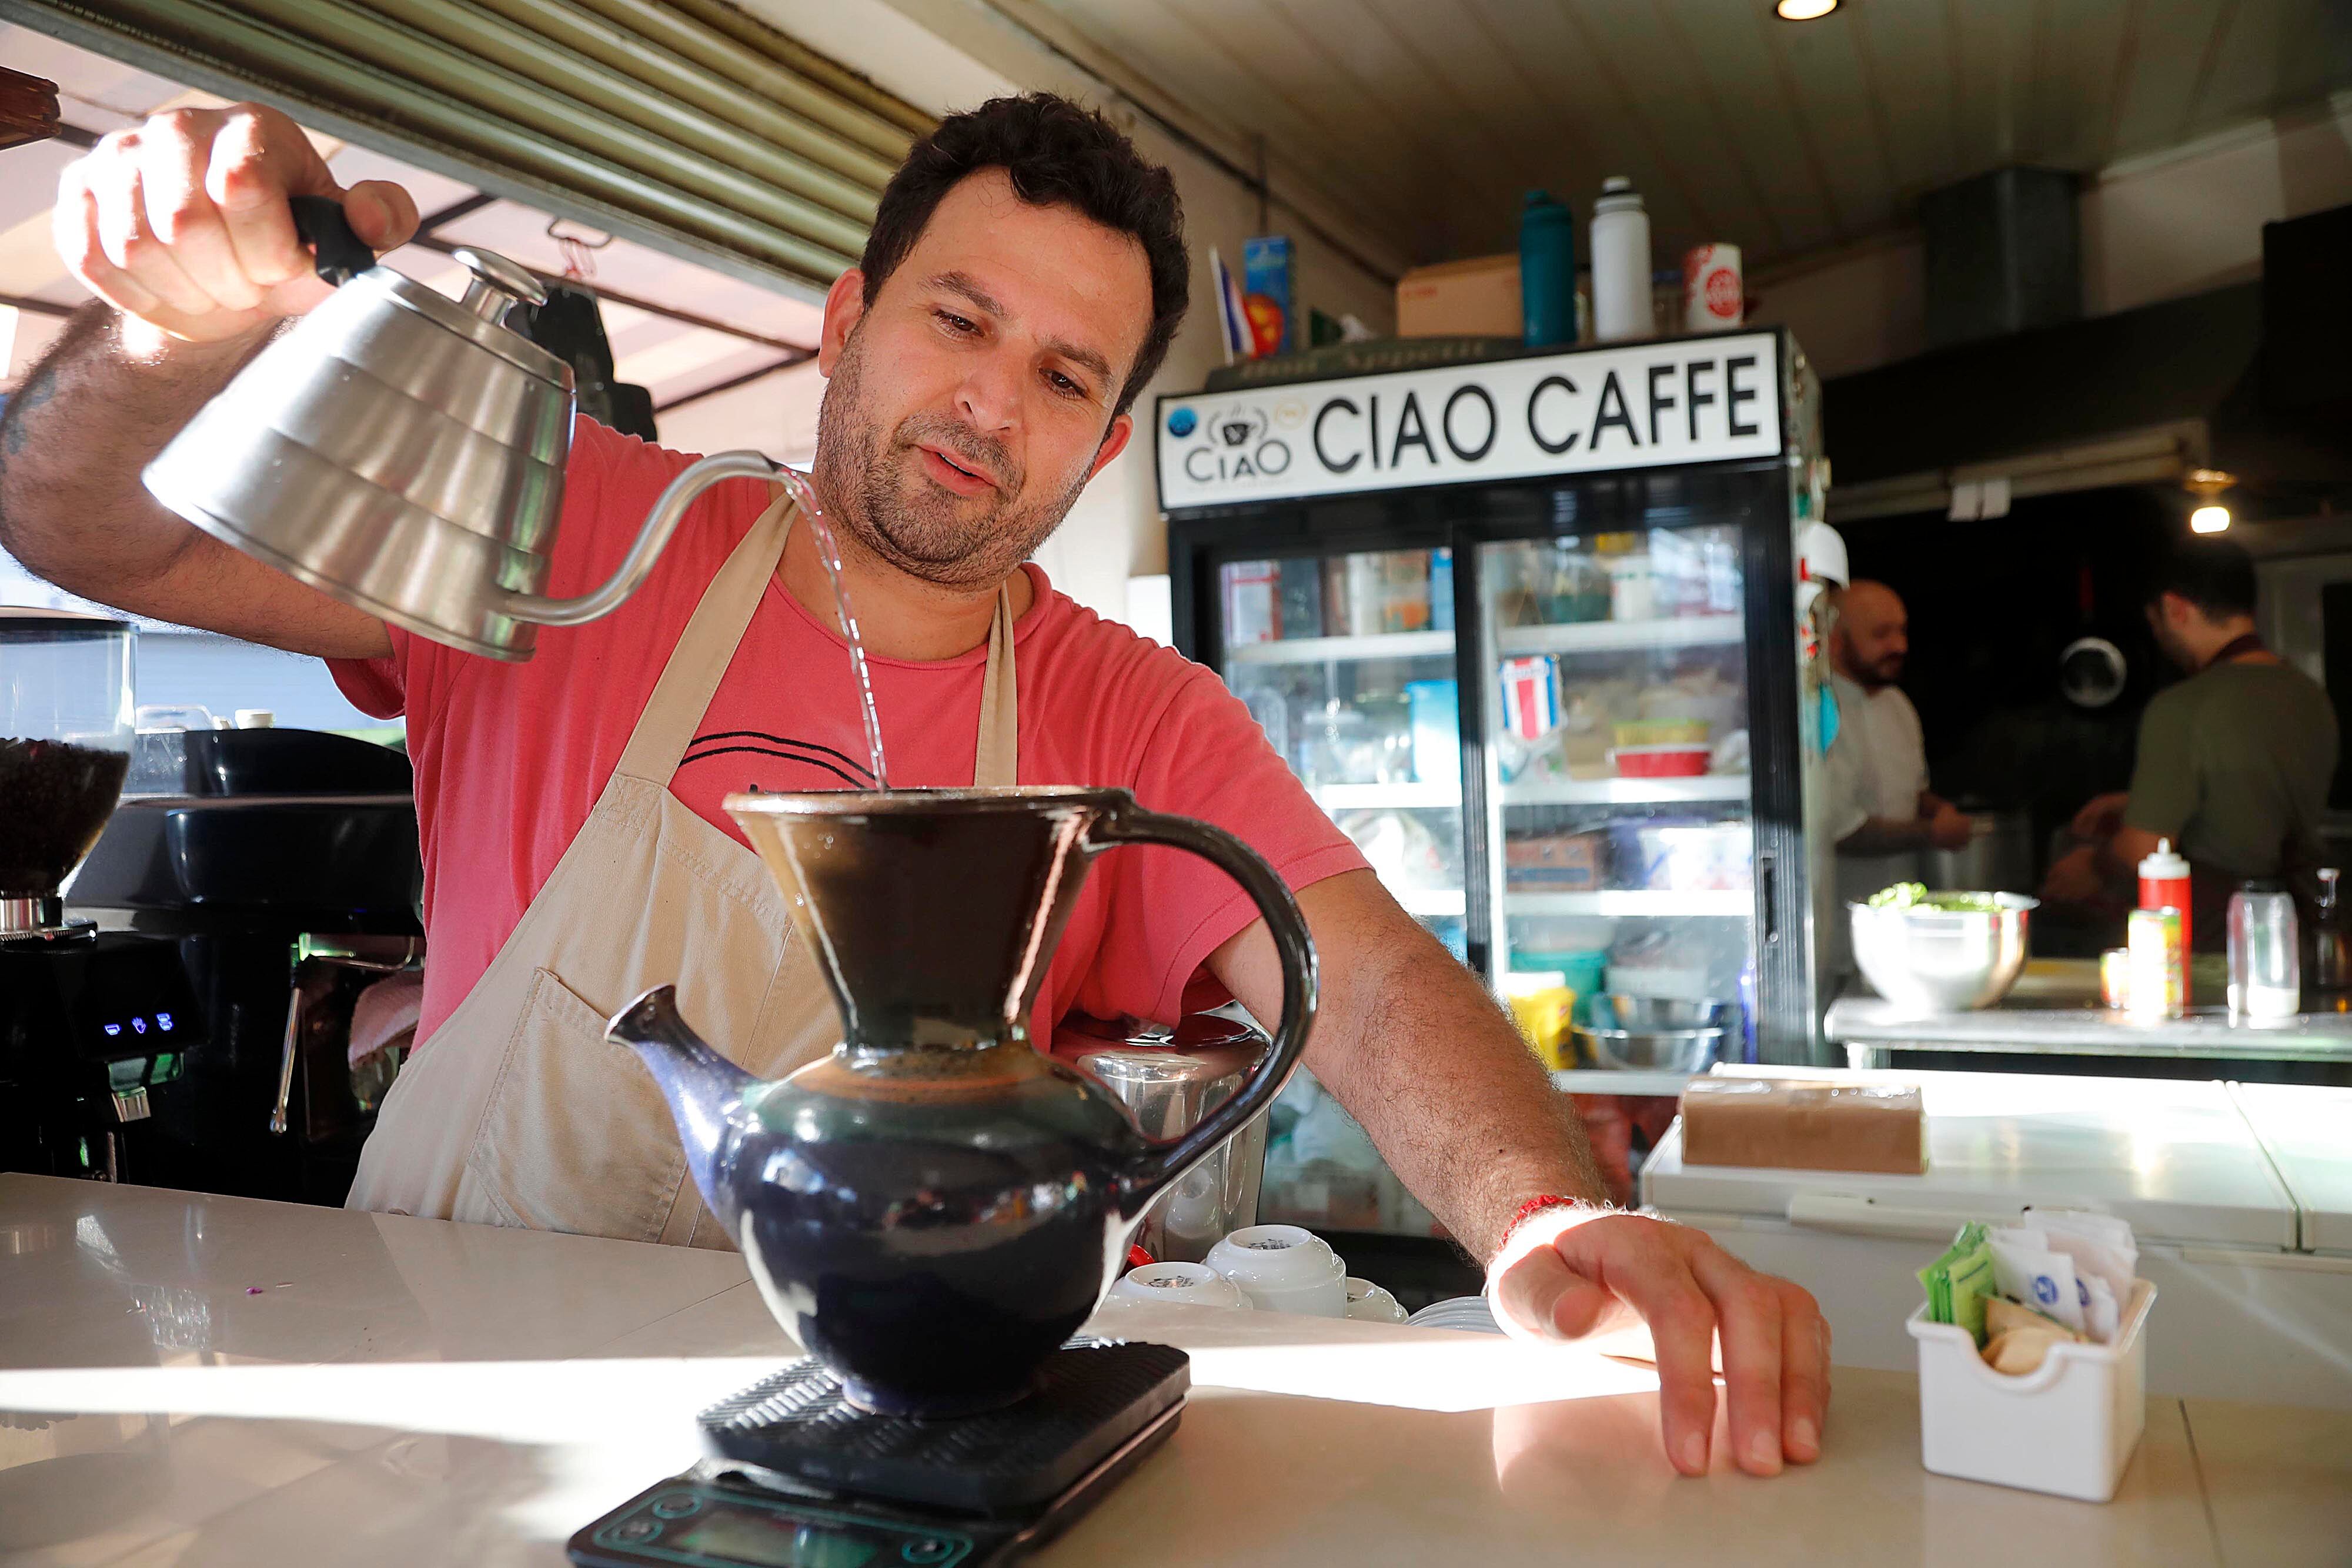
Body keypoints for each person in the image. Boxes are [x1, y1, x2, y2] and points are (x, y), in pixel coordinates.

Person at [0, 95, 1825, 1477]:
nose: (986, 402)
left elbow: (1361, 978)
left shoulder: (1132, 712)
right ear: (846, 313)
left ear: (1103, 440)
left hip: (898, 1436)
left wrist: (1547, 1218)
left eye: (1057, 374)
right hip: (447, 1390)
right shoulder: (573, 525)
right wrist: (170, 328)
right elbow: (81, 526)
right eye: (956, 321)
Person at [2044, 539, 2336, 945]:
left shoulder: (2182, 707)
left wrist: (2091, 865)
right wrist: (2134, 801)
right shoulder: (2310, 695)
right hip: (2299, 928)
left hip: (2219, 940)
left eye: (2156, 624)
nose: (2161, 639)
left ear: (2175, 608)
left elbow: (2144, 849)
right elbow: (2254, 794)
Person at [1826, 580, 1973, 918]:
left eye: (1902, 632)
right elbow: (1842, 830)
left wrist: (1939, 809)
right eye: (1881, 635)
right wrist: (1933, 833)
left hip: (1901, 908)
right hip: (1839, 913)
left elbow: (1912, 790)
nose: (1900, 646)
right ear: (1835, 642)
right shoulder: (1819, 711)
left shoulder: (1898, 704)